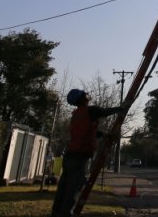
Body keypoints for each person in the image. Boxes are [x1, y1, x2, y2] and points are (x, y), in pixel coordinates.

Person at [51, 89, 125, 217]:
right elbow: (104, 112)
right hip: (79, 156)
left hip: (70, 155)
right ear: (81, 98)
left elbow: (86, 132)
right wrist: (120, 108)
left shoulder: (77, 114)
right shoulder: (90, 110)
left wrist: (103, 134)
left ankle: (56, 212)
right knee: (73, 187)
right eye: (84, 94)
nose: (87, 95)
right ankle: (65, 214)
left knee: (64, 187)